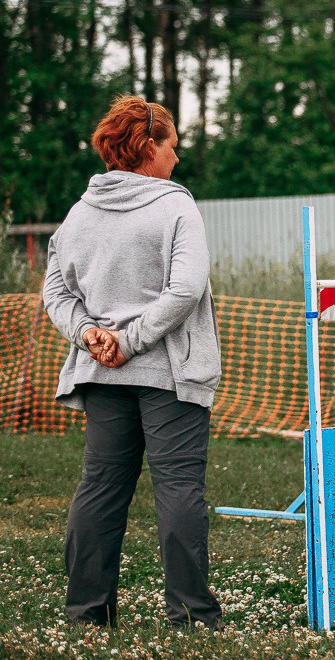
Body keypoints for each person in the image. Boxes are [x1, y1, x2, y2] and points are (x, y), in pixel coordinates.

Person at [42, 96, 222, 629]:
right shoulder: (175, 206)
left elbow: (55, 291)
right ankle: (191, 617)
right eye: (171, 144)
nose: (178, 155)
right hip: (167, 372)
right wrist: (132, 339)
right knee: (179, 486)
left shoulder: (79, 214)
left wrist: (91, 334)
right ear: (148, 147)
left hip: (100, 371)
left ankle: (85, 614)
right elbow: (186, 288)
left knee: (100, 488)